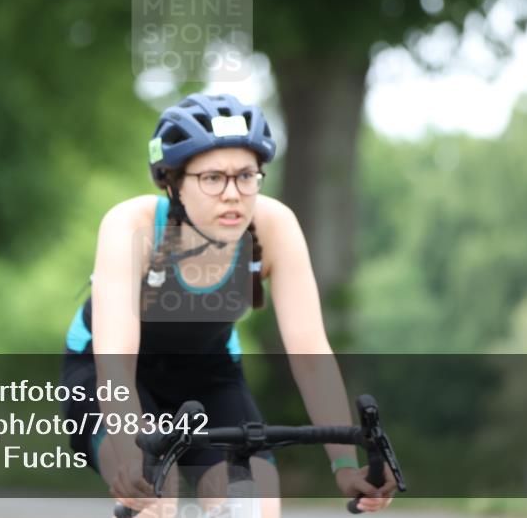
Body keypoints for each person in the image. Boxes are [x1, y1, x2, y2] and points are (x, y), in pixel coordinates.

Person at [61, 93, 396, 517]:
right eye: (213, 178)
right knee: (155, 494)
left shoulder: (274, 226)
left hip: (208, 376)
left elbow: (311, 355)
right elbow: (116, 365)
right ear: (172, 181)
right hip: (107, 375)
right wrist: (130, 455)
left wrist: (345, 465)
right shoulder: (132, 225)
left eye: (246, 176)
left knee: (253, 504)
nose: (233, 194)